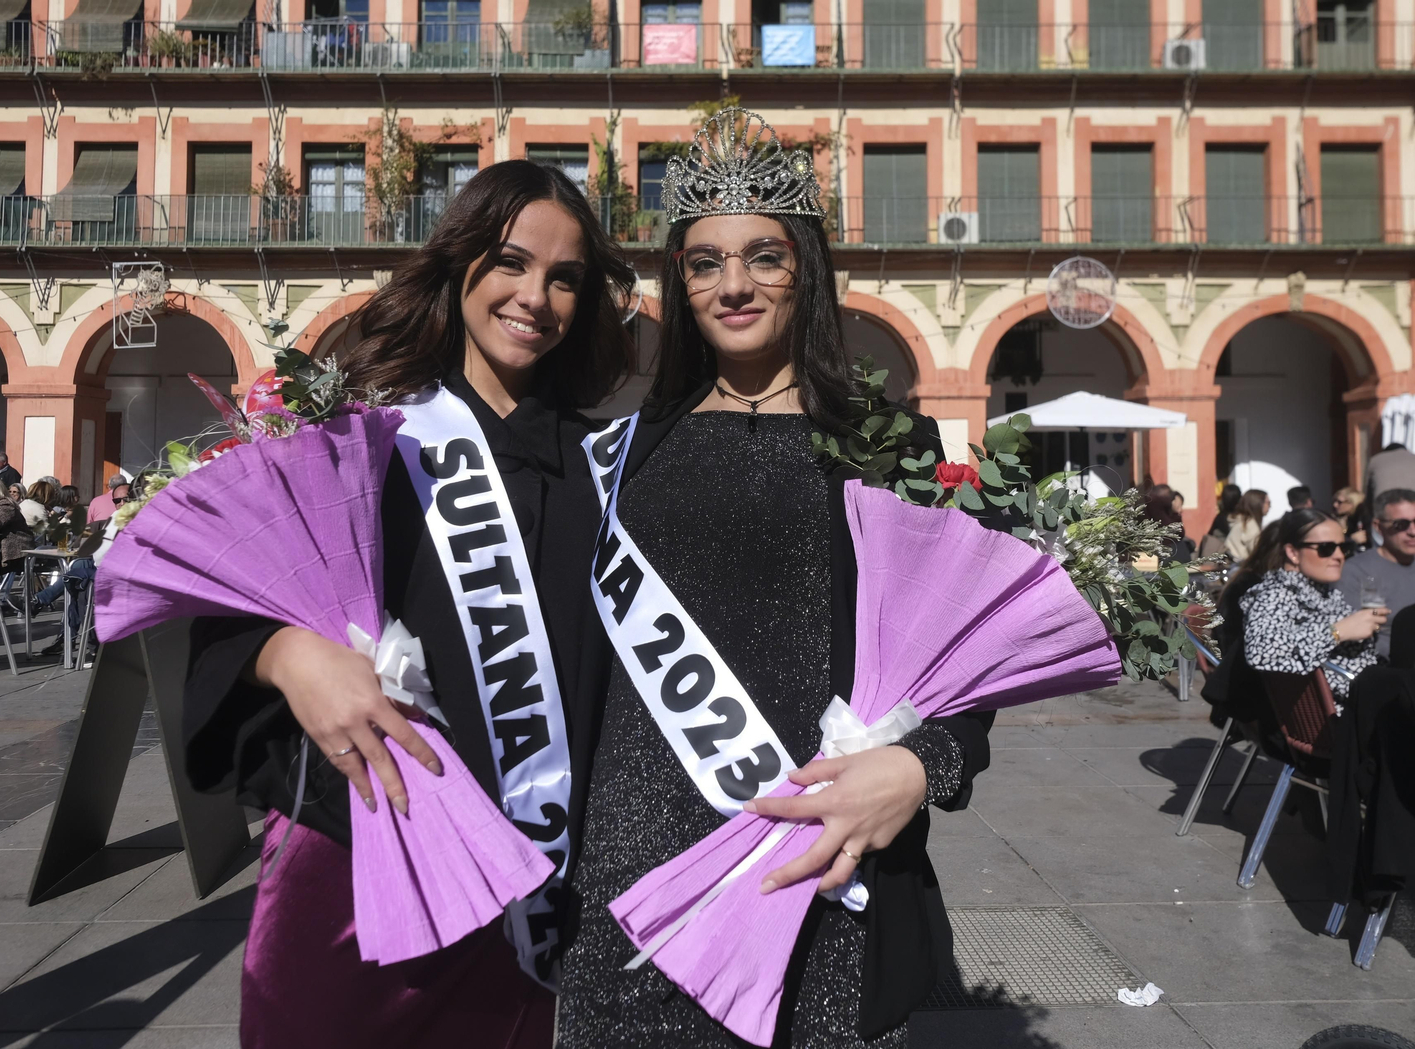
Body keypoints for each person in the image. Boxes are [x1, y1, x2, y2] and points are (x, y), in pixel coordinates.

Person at [556, 108, 991, 1049]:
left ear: (808, 270)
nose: (733, 284)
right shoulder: (623, 455)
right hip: (634, 876)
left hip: (824, 865)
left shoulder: (893, 453)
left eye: (764, 255)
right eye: (705, 262)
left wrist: (923, 767)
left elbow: (969, 654)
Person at [179, 159, 634, 1047]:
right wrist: (289, 657)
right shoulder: (366, 437)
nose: (534, 296)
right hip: (361, 858)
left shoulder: (604, 468)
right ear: (460, 262)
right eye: (509, 261)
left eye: (564, 278)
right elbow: (233, 612)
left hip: (530, 884)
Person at [1239, 508, 1383, 699]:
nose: (1339, 555)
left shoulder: (1323, 591)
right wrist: (1337, 632)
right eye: (1326, 548)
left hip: (1361, 699)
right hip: (1340, 716)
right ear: (1293, 553)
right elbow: (1261, 653)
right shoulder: (1277, 594)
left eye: (1344, 547)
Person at [1334, 488, 1415, 660]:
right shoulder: (1357, 571)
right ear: (1378, 527)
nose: (1412, 532)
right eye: (1401, 524)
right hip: (1389, 670)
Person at [1224, 488, 1270, 563]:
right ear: (1258, 503)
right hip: (1238, 566)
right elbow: (1256, 553)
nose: (1270, 506)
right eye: (1268, 503)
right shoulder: (1250, 524)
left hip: (1231, 564)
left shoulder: (1242, 521)